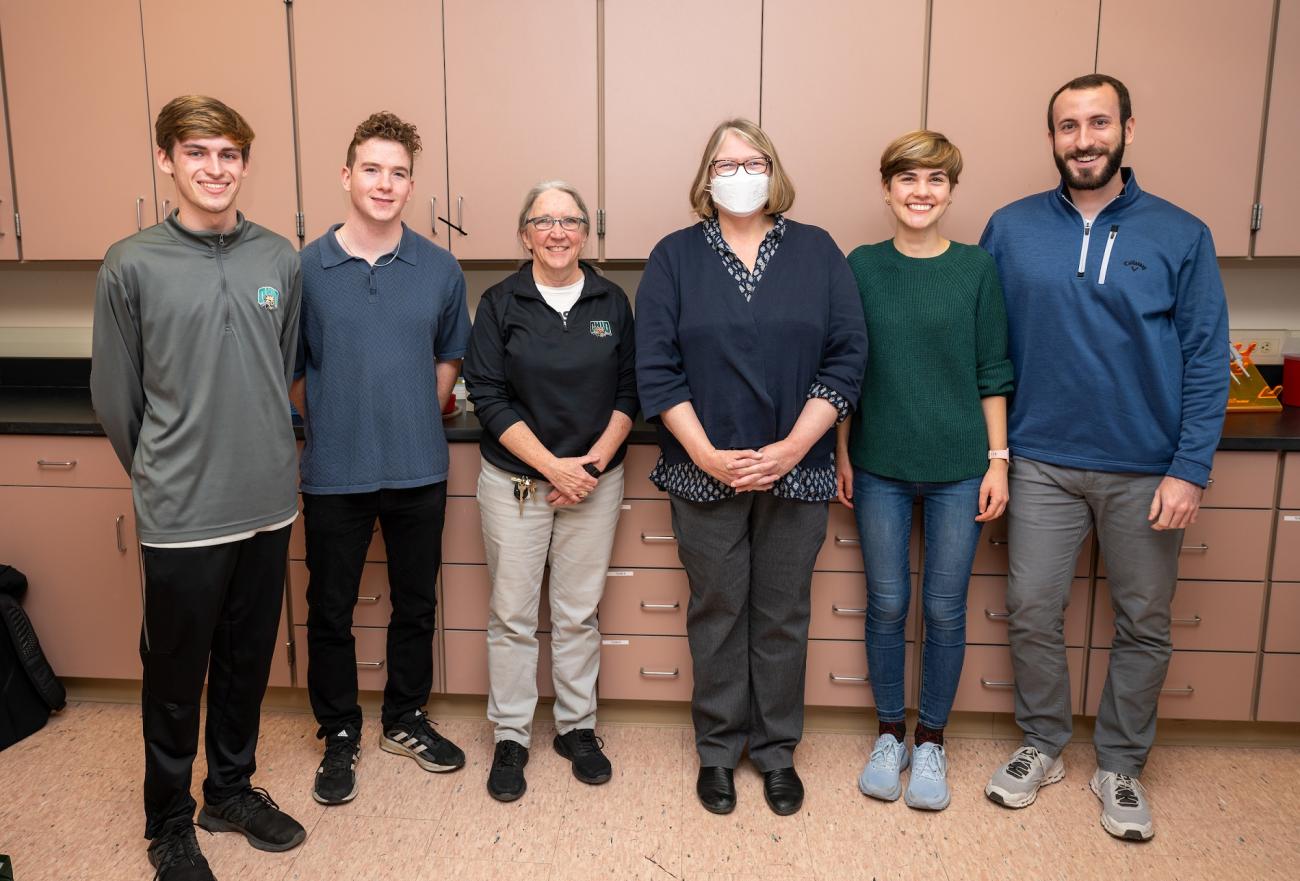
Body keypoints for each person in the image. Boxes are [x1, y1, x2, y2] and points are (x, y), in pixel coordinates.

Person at [979, 74, 1229, 841]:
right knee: (1031, 609)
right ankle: (1045, 742)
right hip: (1042, 460)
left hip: (1147, 466)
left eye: (1097, 123)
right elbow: (985, 344)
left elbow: (1206, 356)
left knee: (1144, 621)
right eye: (1067, 126)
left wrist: (1190, 467)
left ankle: (1120, 762)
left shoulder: (1181, 233)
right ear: (1051, 137)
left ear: (1127, 128)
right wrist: (992, 454)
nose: (1083, 139)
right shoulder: (1010, 227)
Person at [91, 95, 306, 881]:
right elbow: (117, 400)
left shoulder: (278, 258)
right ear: (167, 161)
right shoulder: (131, 263)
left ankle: (230, 791)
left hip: (268, 501)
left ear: (244, 164)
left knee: (246, 661)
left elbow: (278, 370)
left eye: (228, 155)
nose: (214, 170)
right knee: (178, 675)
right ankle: (168, 821)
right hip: (182, 512)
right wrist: (161, 471)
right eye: (197, 154)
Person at [636, 118, 868, 816]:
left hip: (797, 465)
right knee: (717, 610)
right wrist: (706, 452)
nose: (740, 171)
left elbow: (847, 357)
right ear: (706, 176)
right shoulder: (675, 257)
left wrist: (795, 446)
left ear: (774, 170)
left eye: (754, 159)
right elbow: (656, 368)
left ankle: (773, 751)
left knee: (780, 615)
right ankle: (716, 749)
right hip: (700, 468)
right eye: (726, 161)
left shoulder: (818, 251)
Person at [290, 112, 470, 807]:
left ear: (411, 184)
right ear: (346, 174)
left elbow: (448, 356)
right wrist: (340, 414)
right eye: (371, 168)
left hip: (419, 469)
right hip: (335, 471)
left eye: (397, 172)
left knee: (416, 603)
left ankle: (404, 718)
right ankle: (339, 731)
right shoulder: (305, 268)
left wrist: (409, 409)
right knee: (330, 608)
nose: (384, 183)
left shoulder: (440, 267)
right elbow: (298, 371)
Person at [836, 130, 1013, 811]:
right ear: (886, 189)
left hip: (959, 468)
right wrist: (843, 452)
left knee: (943, 607)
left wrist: (998, 461)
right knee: (887, 603)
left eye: (935, 180)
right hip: (878, 464)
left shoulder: (975, 269)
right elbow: (846, 371)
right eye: (908, 179)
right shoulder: (860, 265)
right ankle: (890, 733)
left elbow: (992, 371)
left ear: (951, 192)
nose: (920, 192)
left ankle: (932, 739)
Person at [462, 181, 637, 802]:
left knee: (577, 613)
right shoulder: (500, 301)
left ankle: (576, 728)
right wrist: (551, 468)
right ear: (524, 233)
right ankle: (511, 734)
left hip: (594, 480)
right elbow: (486, 394)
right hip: (516, 483)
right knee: (511, 615)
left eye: (569, 220)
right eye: (543, 221)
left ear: (586, 232)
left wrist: (587, 467)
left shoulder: (611, 300)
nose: (557, 232)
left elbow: (628, 392)